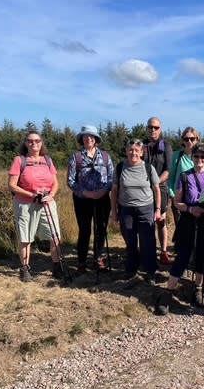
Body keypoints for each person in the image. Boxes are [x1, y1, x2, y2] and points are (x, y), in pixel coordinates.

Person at [158, 143, 204, 315]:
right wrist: (190, 209)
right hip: (188, 221)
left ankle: (198, 290)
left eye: (203, 156)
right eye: (196, 156)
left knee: (202, 256)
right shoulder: (184, 177)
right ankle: (168, 293)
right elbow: (177, 202)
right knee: (183, 257)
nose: (199, 159)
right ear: (192, 157)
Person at [8, 131, 62, 282]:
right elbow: (12, 185)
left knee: (55, 235)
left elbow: (55, 182)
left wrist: (51, 195)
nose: (34, 143)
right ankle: (25, 269)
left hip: (47, 202)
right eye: (30, 141)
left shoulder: (47, 160)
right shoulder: (19, 160)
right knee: (25, 237)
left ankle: (57, 267)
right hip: (25, 203)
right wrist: (31, 194)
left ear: (41, 142)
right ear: (25, 143)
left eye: (37, 140)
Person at [111, 138, 161, 283]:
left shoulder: (148, 168)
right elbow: (114, 190)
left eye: (136, 150)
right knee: (130, 241)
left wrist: (157, 209)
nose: (133, 153)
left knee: (148, 242)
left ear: (142, 152)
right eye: (130, 150)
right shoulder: (120, 167)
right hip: (126, 209)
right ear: (126, 151)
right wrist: (114, 211)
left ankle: (151, 271)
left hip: (146, 209)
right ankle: (131, 269)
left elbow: (157, 189)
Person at [67, 125, 114, 274]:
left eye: (91, 136)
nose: (88, 138)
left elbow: (112, 178)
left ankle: (98, 258)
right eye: (85, 136)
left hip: (103, 199)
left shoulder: (106, 156)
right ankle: (81, 261)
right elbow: (70, 181)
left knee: (101, 229)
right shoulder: (76, 157)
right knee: (85, 230)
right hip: (82, 200)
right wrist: (86, 193)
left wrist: (103, 191)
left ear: (96, 140)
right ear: (82, 139)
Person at [143, 116, 173, 265]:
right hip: (144, 190)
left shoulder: (166, 146)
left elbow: (168, 170)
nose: (153, 130)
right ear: (147, 128)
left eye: (156, 127)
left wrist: (155, 182)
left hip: (160, 188)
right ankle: (148, 250)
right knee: (147, 221)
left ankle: (163, 251)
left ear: (160, 129)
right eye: (150, 127)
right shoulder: (142, 145)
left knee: (161, 220)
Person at [167, 127, 200, 225]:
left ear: (197, 139)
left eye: (192, 139)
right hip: (180, 201)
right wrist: (173, 196)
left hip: (197, 201)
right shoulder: (176, 155)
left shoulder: (202, 157)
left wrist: (203, 200)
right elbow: (171, 177)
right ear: (183, 141)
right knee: (181, 231)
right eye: (186, 139)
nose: (189, 141)